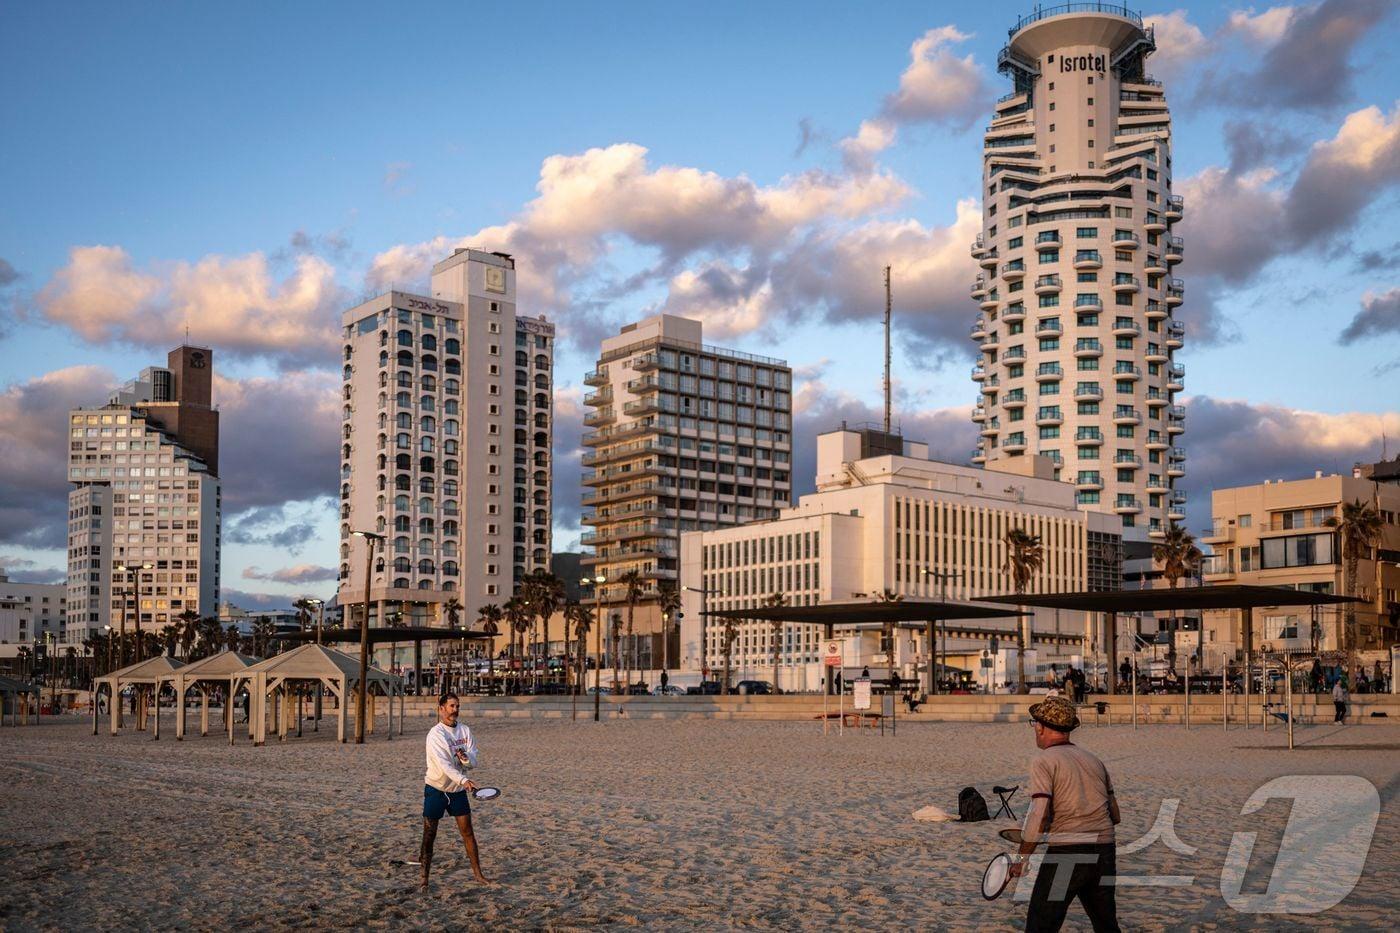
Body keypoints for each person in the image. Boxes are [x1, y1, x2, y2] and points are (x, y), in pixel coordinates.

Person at [1010, 695, 1121, 932]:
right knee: (1106, 924)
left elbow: (1039, 815)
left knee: (1043, 923)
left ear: (1040, 727)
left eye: (1034, 725)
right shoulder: (1095, 761)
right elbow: (1115, 815)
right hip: (1104, 851)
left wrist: (1021, 858)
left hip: (1067, 854)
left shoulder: (1044, 761)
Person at [421, 692, 491, 889]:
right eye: (451, 706)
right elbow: (444, 764)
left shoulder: (465, 731)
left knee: (468, 832)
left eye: (457, 706)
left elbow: (473, 761)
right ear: (441, 709)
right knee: (429, 834)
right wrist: (464, 779)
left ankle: (478, 874)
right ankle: (424, 878)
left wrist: (465, 759)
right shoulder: (436, 734)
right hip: (436, 789)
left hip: (457, 791)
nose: (455, 711)